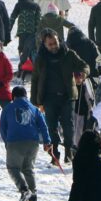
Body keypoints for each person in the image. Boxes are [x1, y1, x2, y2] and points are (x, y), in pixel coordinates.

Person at [31, 29, 88, 161]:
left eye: (55, 43)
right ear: (44, 45)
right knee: (51, 126)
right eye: (50, 44)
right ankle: (54, 152)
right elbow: (35, 80)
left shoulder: (69, 54)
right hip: (48, 98)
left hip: (67, 96)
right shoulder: (41, 59)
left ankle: (68, 150)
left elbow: (84, 66)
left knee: (68, 125)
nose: (53, 46)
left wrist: (82, 74)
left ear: (59, 41)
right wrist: (35, 101)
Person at [0, 86, 52, 201]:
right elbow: (43, 126)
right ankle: (33, 195)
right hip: (33, 143)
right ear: (26, 96)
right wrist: (47, 141)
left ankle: (24, 190)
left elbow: (2, 127)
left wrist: (7, 142)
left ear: (13, 97)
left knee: (13, 168)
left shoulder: (8, 108)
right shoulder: (34, 109)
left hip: (15, 141)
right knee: (28, 168)